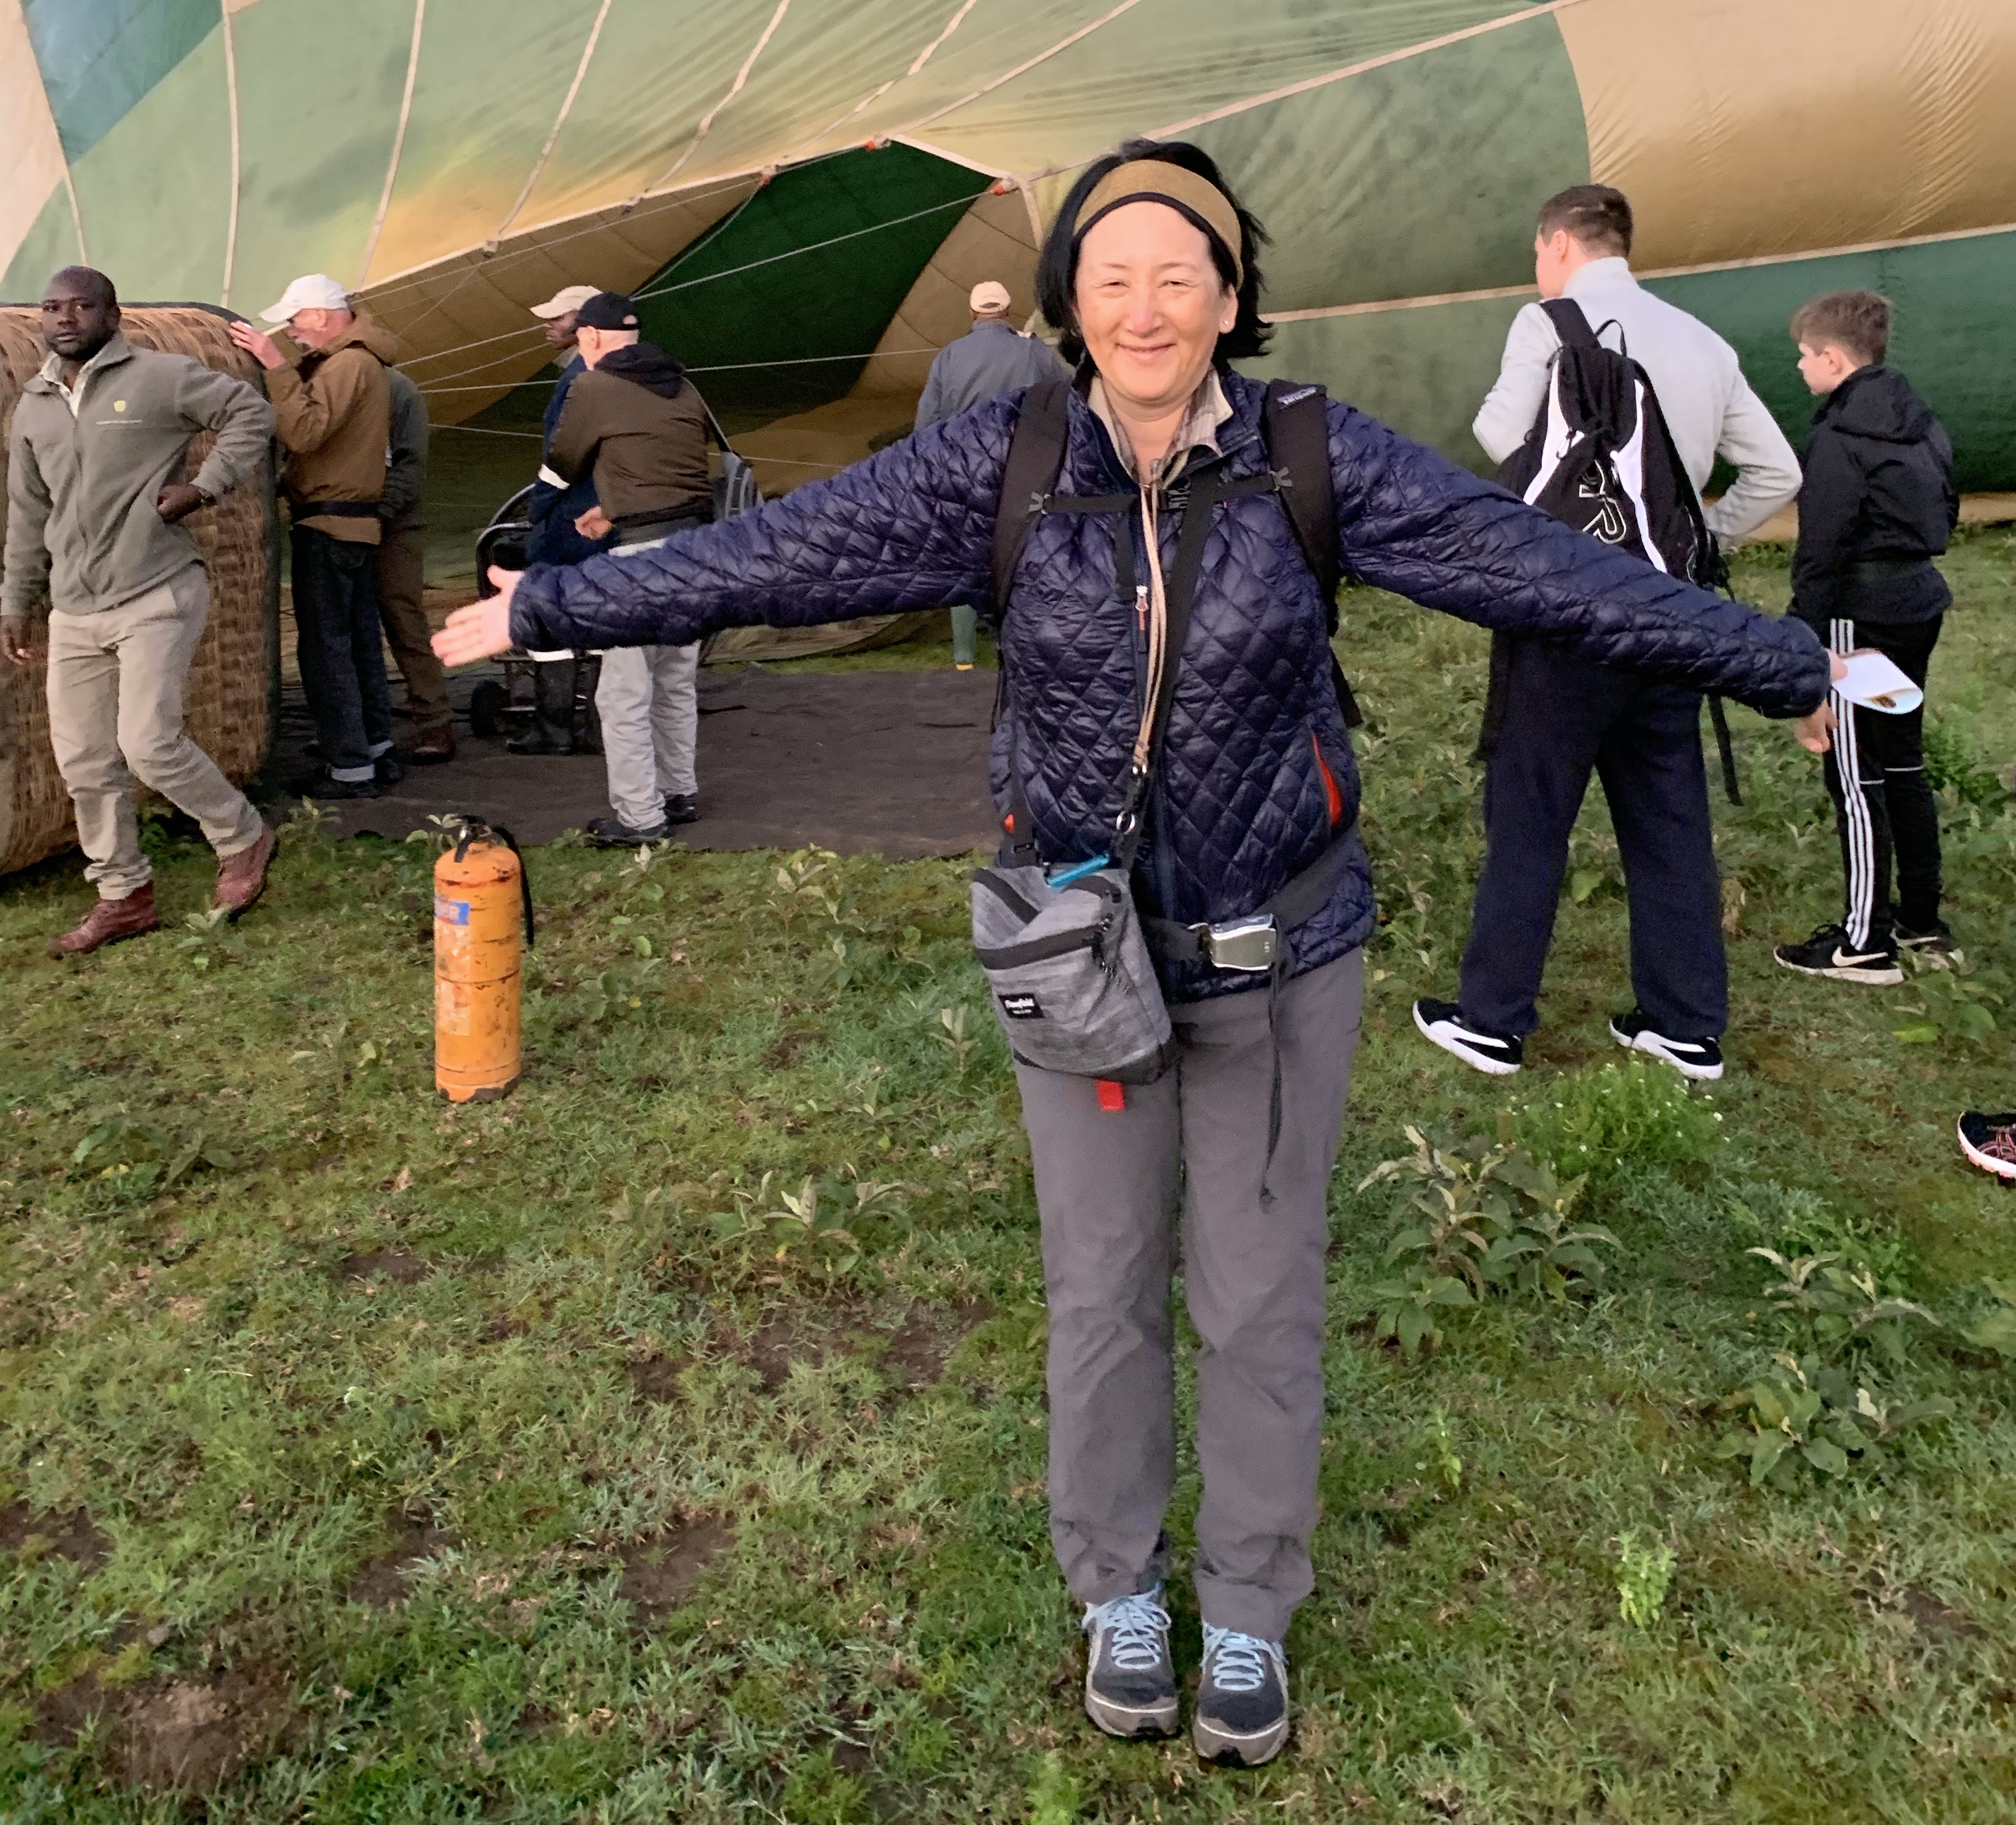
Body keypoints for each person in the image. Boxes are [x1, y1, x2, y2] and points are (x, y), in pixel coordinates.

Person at [437, 141, 1831, 1769]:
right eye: (1113, 280)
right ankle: (1119, 1591)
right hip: (1084, 959)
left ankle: (1247, 1607)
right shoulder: (1008, 460)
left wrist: (1775, 659)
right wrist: (557, 607)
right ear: (1071, 305)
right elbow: (787, 551)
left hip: (1280, 953)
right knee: (1100, 1295)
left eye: (1181, 276)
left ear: (1231, 299)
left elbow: (1540, 569)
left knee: (1259, 1298)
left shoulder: (1311, 455)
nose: (1146, 307)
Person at [1414, 183, 1805, 1084]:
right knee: (1669, 818)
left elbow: (1501, 434)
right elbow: (1777, 471)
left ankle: (1493, 1019)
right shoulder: (1704, 342)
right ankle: (1684, 1026)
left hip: (1568, 612)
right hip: (1674, 618)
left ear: (1557, 244)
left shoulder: (1548, 324)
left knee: (1531, 811)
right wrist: (1698, 544)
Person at [2, 268, 279, 954]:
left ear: (113, 315)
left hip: (156, 588)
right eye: (52, 308)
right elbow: (29, 512)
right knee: (83, 761)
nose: (65, 318)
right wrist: (16, 600)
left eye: (82, 306)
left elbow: (251, 413)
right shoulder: (34, 404)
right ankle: (123, 895)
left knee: (149, 743)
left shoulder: (159, 377)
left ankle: (242, 836)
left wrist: (204, 488)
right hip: (75, 608)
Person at [1772, 290, 1957, 987]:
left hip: (1860, 615)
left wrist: (1804, 646)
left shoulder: (1837, 437)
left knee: (1855, 772)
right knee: (1902, 759)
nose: (1799, 367)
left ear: (1832, 358)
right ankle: (1923, 922)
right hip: (1917, 602)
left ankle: (1864, 942)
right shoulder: (1924, 423)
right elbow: (1947, 509)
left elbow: (1820, 549)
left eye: (1803, 355)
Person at [535, 291, 714, 842]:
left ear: (589, 336)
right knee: (675, 680)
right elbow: (669, 470)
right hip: (694, 548)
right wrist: (611, 510)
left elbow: (563, 461)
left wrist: (544, 514)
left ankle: (640, 817)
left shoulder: (593, 386)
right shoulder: (683, 385)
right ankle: (679, 792)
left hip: (639, 560)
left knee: (623, 694)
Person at [229, 276, 401, 798]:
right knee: (359, 642)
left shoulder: (348, 364)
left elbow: (304, 432)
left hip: (329, 525)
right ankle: (375, 748)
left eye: (295, 319)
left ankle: (349, 766)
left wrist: (274, 365)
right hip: (353, 524)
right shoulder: (362, 361)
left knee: (327, 649)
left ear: (322, 316)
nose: (290, 331)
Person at [914, 279, 1067, 668]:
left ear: (972, 313)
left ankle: (964, 655)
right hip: (1022, 470)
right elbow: (1070, 393)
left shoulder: (949, 357)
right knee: (1021, 556)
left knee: (967, 559)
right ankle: (1013, 645)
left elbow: (927, 424)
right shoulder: (1032, 351)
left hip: (966, 471)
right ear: (1008, 310)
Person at [510, 285, 603, 755]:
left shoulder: (579, 378)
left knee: (546, 613)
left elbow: (563, 456)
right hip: (605, 512)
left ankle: (555, 728)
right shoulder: (617, 372)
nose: (548, 325)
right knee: (605, 618)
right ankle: (599, 729)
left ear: (584, 324)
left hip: (571, 516)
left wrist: (538, 508)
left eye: (558, 318)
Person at [373, 367, 454, 764]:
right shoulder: (320, 379)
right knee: (342, 627)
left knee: (403, 618)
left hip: (393, 523)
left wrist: (381, 513)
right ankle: (356, 727)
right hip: (338, 519)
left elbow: (410, 462)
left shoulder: (397, 389)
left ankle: (434, 719)